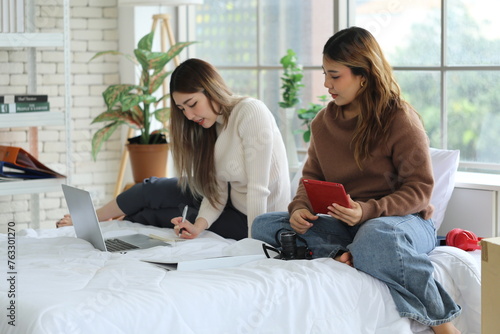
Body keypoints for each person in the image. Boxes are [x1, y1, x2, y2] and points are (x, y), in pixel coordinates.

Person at [251, 27, 461, 333]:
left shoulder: (399, 119)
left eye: (335, 76)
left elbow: (419, 191)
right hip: (349, 226)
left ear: (364, 75)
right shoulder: (323, 123)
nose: (326, 84)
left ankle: (444, 325)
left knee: (376, 237)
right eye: (325, 74)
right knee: (266, 225)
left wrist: (367, 211)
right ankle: (349, 252)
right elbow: (310, 179)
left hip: (402, 223)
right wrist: (298, 209)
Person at [57, 58, 291, 240]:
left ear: (211, 89)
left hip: (258, 219)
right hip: (229, 201)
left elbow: (259, 190)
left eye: (192, 104)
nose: (189, 116)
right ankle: (91, 219)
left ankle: (113, 221)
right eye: (182, 109)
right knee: (150, 190)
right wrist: (198, 227)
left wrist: (256, 244)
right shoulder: (211, 127)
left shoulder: (250, 112)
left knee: (158, 216)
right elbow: (216, 191)